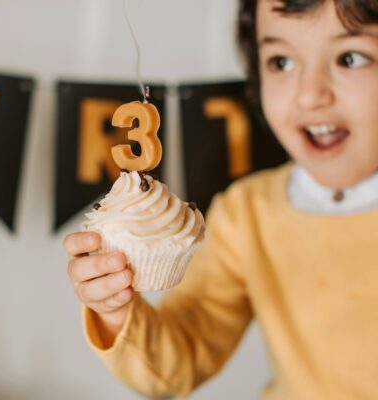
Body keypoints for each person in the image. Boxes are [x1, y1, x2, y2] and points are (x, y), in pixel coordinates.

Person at [63, 0, 378, 398]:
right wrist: (116, 311)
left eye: (350, 58)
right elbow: (182, 355)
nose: (310, 95)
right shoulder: (247, 212)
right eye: (281, 62)